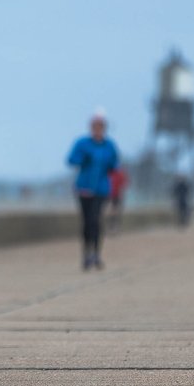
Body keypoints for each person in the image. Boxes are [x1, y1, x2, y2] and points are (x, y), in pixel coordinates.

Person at [67, 113, 119, 270]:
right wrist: (84, 159)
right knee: (86, 221)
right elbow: (71, 160)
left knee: (95, 220)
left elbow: (115, 165)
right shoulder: (82, 143)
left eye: (100, 126)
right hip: (84, 188)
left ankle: (96, 253)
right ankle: (86, 254)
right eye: (95, 126)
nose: (97, 129)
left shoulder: (109, 145)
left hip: (101, 189)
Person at [106, 166, 129, 233]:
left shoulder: (120, 173)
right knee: (111, 211)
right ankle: (111, 227)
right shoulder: (107, 172)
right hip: (108, 195)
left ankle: (115, 227)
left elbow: (124, 184)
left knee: (116, 211)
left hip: (117, 195)